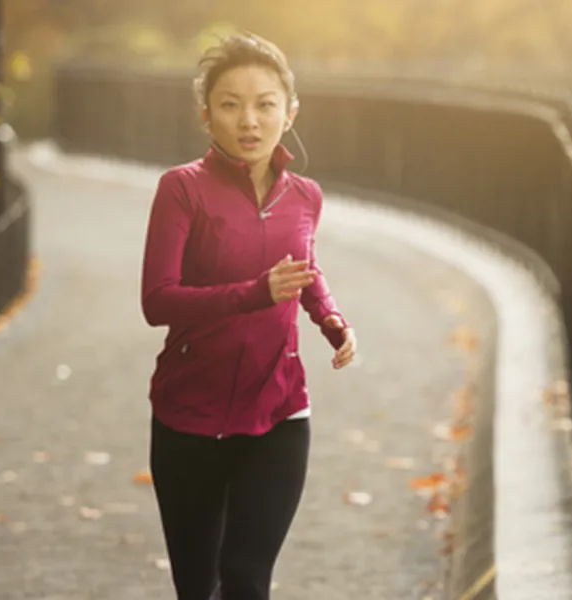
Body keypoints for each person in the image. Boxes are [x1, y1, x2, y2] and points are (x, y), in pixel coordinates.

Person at [140, 32, 356, 600]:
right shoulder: (181, 189)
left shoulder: (306, 196)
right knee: (198, 587)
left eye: (265, 104)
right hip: (189, 417)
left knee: (244, 576)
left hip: (279, 412)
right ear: (205, 114)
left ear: (290, 112)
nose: (249, 120)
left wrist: (331, 319)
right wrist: (253, 294)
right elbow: (157, 300)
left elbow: (306, 269)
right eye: (231, 104)